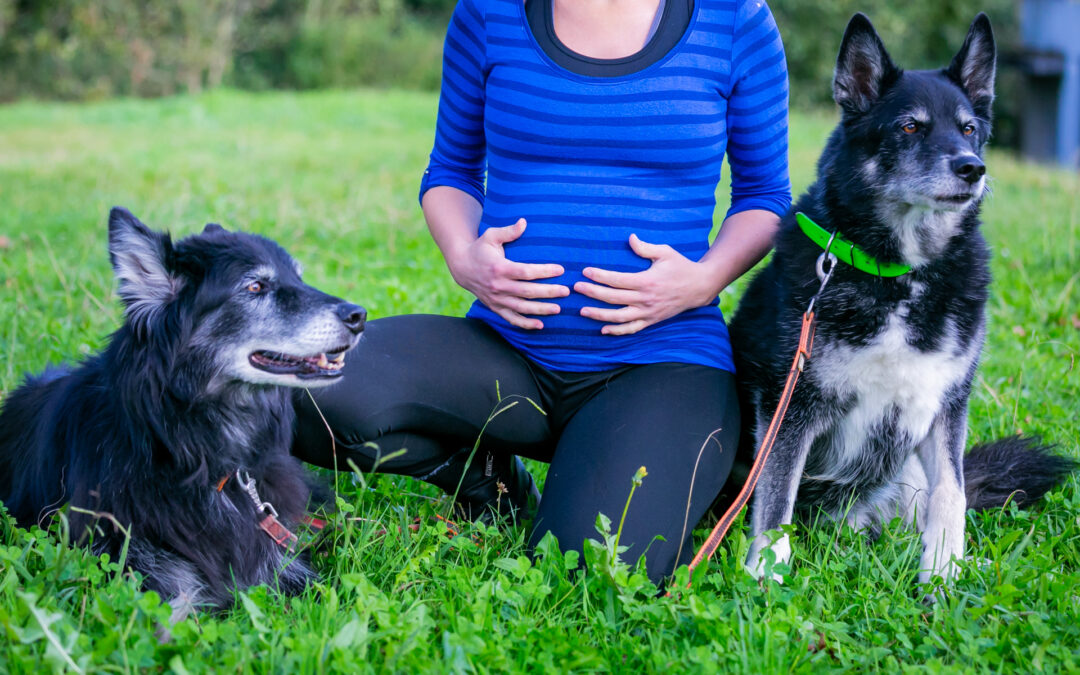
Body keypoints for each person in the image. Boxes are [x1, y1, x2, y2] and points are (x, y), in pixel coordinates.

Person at [292, 0, 790, 583]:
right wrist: (464, 258)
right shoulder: (489, 12)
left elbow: (765, 196)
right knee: (296, 394)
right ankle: (485, 478)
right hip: (506, 353)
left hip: (661, 363)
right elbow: (450, 170)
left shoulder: (733, 18)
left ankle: (639, 458)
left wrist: (703, 278)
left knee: (590, 571)